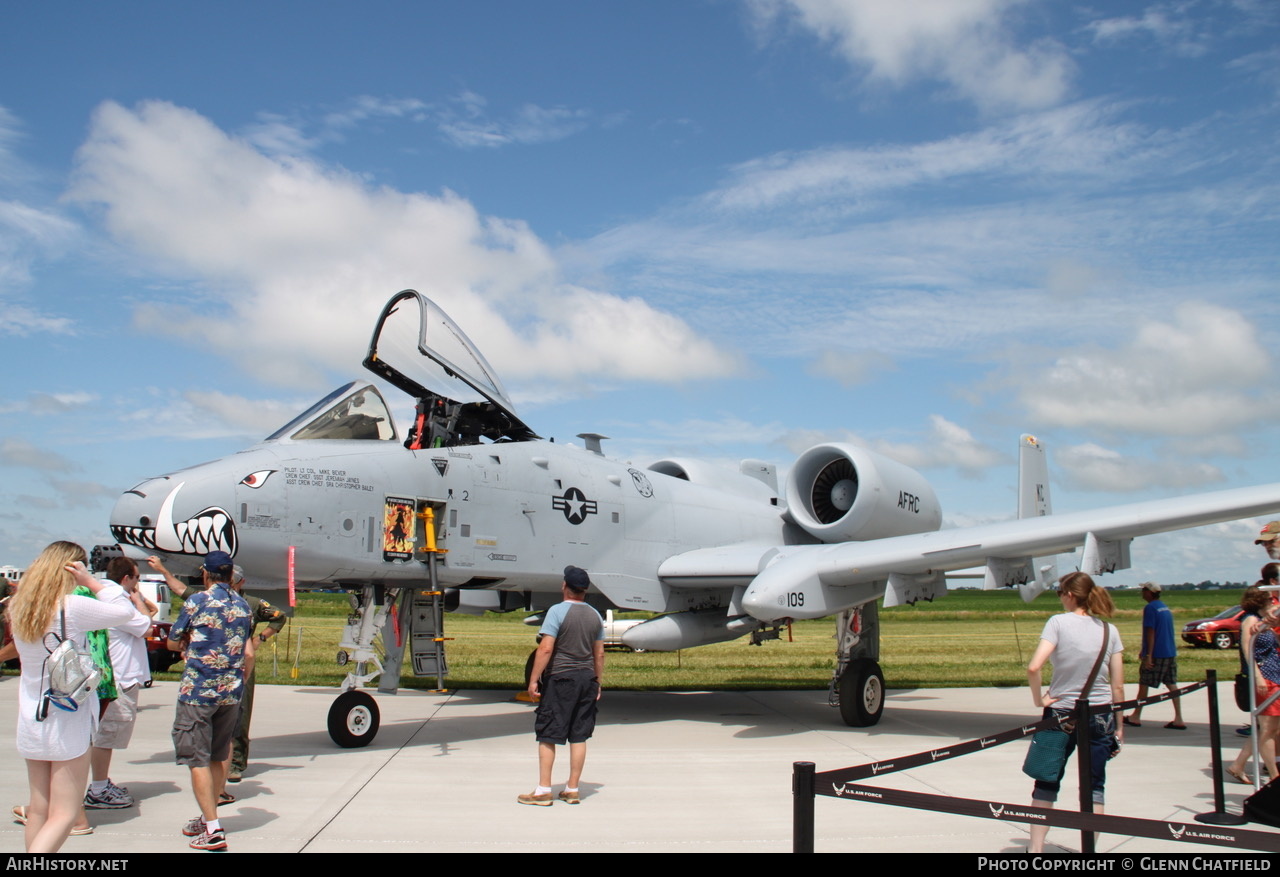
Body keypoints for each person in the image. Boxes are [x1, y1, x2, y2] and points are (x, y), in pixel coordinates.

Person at [8, 542, 139, 853]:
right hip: (66, 717)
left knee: (39, 810)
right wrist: (92, 582)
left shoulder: (20, 606)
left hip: (31, 715)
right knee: (65, 814)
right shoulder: (71, 606)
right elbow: (124, 611)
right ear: (72, 568)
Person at [148, 556, 286, 786]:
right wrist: (163, 571)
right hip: (237, 672)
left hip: (204, 679)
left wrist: (261, 637)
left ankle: (231, 770)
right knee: (228, 731)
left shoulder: (208, 601)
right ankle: (221, 784)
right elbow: (249, 653)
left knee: (215, 734)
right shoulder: (243, 607)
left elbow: (277, 616)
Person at [1026, 572, 1124, 854]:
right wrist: (1119, 727)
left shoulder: (1057, 623)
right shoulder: (1109, 630)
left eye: (1060, 592)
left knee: (1046, 780)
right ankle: (1089, 851)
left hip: (1061, 712)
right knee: (1095, 786)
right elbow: (1117, 686)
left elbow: (1034, 667)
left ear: (1069, 595)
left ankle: (1035, 849)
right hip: (1101, 713)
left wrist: (1039, 699)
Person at [166, 551, 251, 852]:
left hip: (199, 691)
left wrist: (187, 643)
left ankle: (214, 830)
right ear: (231, 575)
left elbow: (174, 640)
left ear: (206, 574)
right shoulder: (243, 606)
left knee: (196, 759)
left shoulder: (197, 601)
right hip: (230, 692)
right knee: (217, 756)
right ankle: (207, 817)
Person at [519, 565, 605, 806]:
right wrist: (597, 681)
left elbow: (546, 648)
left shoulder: (557, 612)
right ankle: (572, 789)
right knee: (579, 736)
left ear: (565, 586)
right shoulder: (594, 615)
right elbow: (599, 654)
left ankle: (543, 790)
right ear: (585, 590)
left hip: (561, 679)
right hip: (586, 679)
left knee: (548, 734)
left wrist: (534, 678)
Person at [84, 556, 155, 810]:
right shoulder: (118, 599)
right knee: (106, 735)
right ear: (127, 578)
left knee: (106, 734)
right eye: (137, 578)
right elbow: (147, 627)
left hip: (116, 675)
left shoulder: (106, 595)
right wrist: (138, 601)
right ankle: (98, 789)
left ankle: (100, 783)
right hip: (120, 678)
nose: (138, 583)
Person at [1123, 582, 1184, 730]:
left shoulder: (1150, 608)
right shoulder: (1164, 607)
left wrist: (1148, 654)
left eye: (1144, 590)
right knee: (1171, 683)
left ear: (1150, 592)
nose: (1142, 593)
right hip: (1169, 651)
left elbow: (1151, 632)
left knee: (1144, 683)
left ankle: (1136, 716)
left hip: (1157, 653)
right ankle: (1179, 718)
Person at [1227, 585, 1273, 783]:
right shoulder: (1250, 621)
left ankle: (1238, 764)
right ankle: (1273, 773)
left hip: (1272, 674)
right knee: (1268, 727)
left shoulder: (1262, 621)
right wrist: (1258, 677)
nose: (1272, 602)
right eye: (1269, 599)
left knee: (1265, 727)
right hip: (1264, 677)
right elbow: (1248, 650)